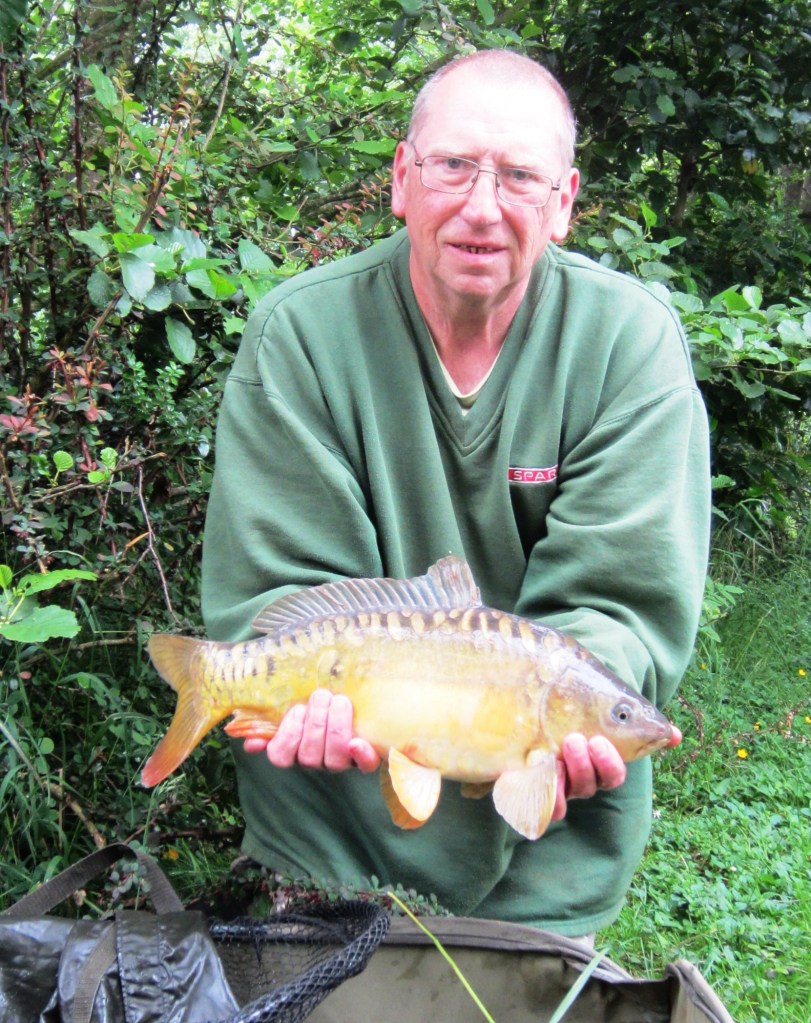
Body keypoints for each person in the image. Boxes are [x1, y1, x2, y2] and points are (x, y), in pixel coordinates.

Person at [201, 49, 710, 938]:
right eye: (452, 166)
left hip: (546, 847)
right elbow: (277, 587)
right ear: (401, 178)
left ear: (563, 204)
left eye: (519, 176)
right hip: (325, 832)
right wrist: (293, 679)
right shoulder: (301, 334)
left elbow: (618, 607)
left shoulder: (631, 348)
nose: (481, 206)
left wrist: (585, 712)